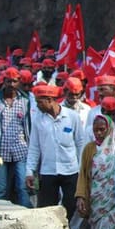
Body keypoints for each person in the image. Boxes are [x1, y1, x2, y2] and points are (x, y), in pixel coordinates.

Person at [25, 84, 87, 219]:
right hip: (48, 170)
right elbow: (34, 147)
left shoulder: (72, 117)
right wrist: (29, 171)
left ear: (50, 100)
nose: (37, 106)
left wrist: (81, 167)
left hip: (70, 170)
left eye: (40, 102)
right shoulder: (38, 120)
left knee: (71, 204)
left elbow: (80, 143)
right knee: (46, 208)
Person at [0, 67, 33, 206]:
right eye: (8, 81)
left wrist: (32, 149)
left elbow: (29, 127)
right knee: (1, 190)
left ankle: (26, 215)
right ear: (4, 81)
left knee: (22, 187)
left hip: (21, 149)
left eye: (15, 81)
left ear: (19, 82)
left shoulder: (25, 100)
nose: (11, 84)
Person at [75, 113, 115, 229]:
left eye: (102, 129)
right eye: (95, 130)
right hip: (96, 197)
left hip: (113, 199)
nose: (99, 133)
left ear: (109, 129)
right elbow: (83, 173)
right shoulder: (89, 148)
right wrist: (81, 196)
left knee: (112, 227)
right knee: (97, 228)